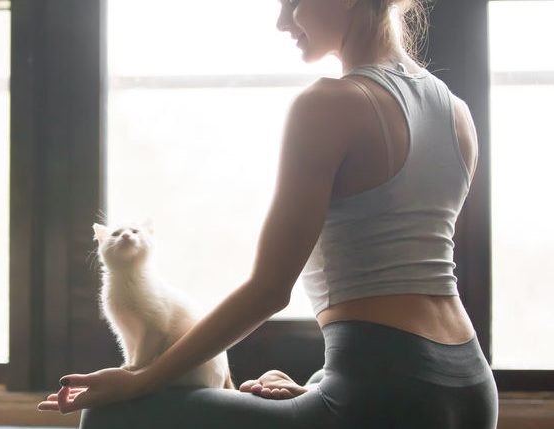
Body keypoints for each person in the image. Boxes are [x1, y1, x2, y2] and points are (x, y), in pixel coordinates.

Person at [37, 0, 499, 427]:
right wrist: (320, 385)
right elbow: (398, 280)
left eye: (291, 2)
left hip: (383, 392)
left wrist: (141, 379)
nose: (282, 21)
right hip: (471, 390)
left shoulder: (328, 104)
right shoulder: (456, 112)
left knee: (108, 417)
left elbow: (268, 291)